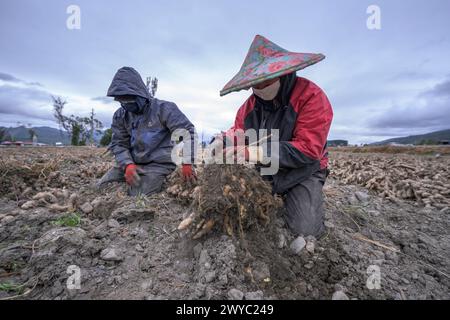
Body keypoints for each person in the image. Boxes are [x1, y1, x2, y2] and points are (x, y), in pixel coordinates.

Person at [218, 35, 333, 238]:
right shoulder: (249, 107)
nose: (260, 88)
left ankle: (302, 194)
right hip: (267, 168)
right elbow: (238, 132)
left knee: (304, 229)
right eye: (255, 84)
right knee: (234, 204)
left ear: (282, 73)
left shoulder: (311, 97)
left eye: (265, 81)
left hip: (304, 170)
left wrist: (252, 152)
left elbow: (308, 150)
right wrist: (221, 141)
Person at [97, 66, 196, 196]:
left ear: (140, 94)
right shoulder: (120, 115)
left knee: (139, 195)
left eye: (129, 98)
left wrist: (187, 162)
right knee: (102, 186)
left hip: (159, 164)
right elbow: (119, 143)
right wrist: (127, 164)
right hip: (133, 163)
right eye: (122, 100)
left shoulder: (164, 109)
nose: (126, 103)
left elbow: (187, 133)